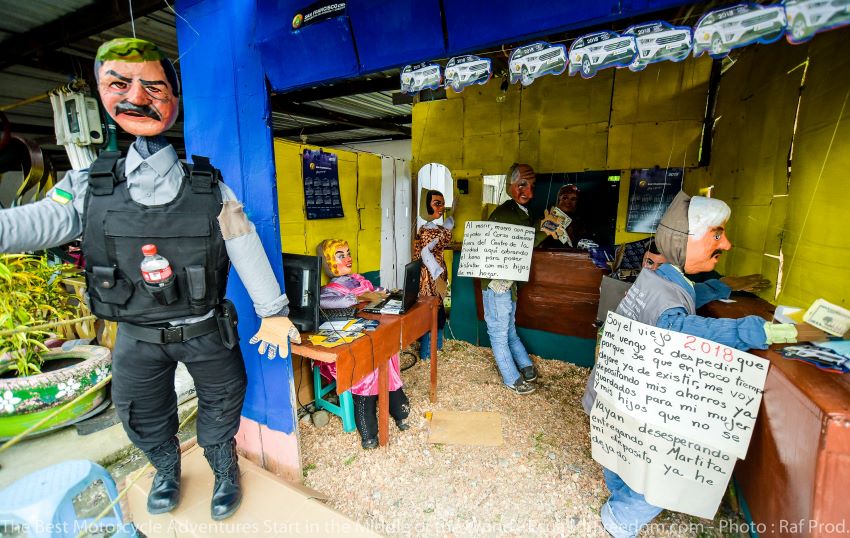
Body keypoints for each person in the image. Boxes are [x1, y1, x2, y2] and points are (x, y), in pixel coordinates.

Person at [0, 38, 301, 521]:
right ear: (102, 93)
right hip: (136, 335)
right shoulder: (87, 187)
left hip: (205, 327)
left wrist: (274, 312)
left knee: (225, 399)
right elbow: (29, 224)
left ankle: (224, 469)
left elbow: (244, 244)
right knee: (139, 410)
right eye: (119, 84)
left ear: (173, 98)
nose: (137, 98)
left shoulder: (209, 187)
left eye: (153, 87)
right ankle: (166, 470)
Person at [581, 191, 825, 538]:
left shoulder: (659, 277)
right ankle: (620, 520)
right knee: (676, 469)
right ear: (685, 242)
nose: (725, 244)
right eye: (716, 234)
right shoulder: (668, 301)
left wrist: (726, 285)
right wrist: (781, 330)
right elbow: (685, 327)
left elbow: (687, 293)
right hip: (634, 408)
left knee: (620, 455)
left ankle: (621, 493)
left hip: (610, 396)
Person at [318, 239, 410, 449]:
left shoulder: (356, 279)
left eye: (348, 253)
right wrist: (364, 295)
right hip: (347, 348)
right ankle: (368, 429)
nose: (348, 259)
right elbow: (339, 302)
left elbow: (377, 289)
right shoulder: (328, 290)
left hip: (368, 336)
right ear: (329, 261)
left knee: (388, 352)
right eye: (341, 256)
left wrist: (386, 292)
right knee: (368, 364)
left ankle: (397, 406)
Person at [481, 163, 548, 394]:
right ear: (510, 186)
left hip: (509, 284)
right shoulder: (505, 213)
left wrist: (544, 225)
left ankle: (525, 365)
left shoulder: (520, 212)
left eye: (531, 186)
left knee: (508, 328)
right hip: (496, 284)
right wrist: (545, 230)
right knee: (499, 333)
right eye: (522, 185)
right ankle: (512, 378)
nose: (528, 192)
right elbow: (524, 243)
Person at [412, 189, 453, 360]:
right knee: (431, 313)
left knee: (439, 311)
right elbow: (425, 253)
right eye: (437, 203)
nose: (441, 207)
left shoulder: (434, 228)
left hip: (436, 273)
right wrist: (437, 274)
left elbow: (444, 232)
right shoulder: (427, 231)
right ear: (426, 206)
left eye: (442, 203)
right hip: (429, 277)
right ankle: (427, 354)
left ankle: (435, 350)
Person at [539, 183, 587, 248]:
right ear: (559, 199)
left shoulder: (581, 224)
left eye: (573, 199)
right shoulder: (546, 218)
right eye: (565, 198)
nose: (568, 202)